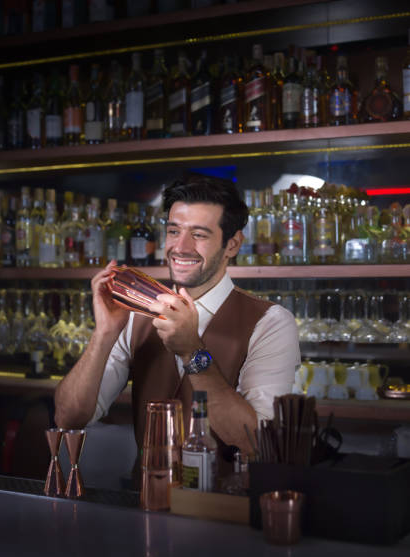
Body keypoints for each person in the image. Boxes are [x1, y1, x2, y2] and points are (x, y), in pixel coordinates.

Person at [55, 175, 300, 473]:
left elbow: (257, 444)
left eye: (199, 234)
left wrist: (192, 353)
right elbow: (69, 417)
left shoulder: (271, 323)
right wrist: (104, 334)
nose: (180, 247)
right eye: (174, 231)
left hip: (227, 512)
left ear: (232, 244)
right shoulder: (134, 316)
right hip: (145, 506)